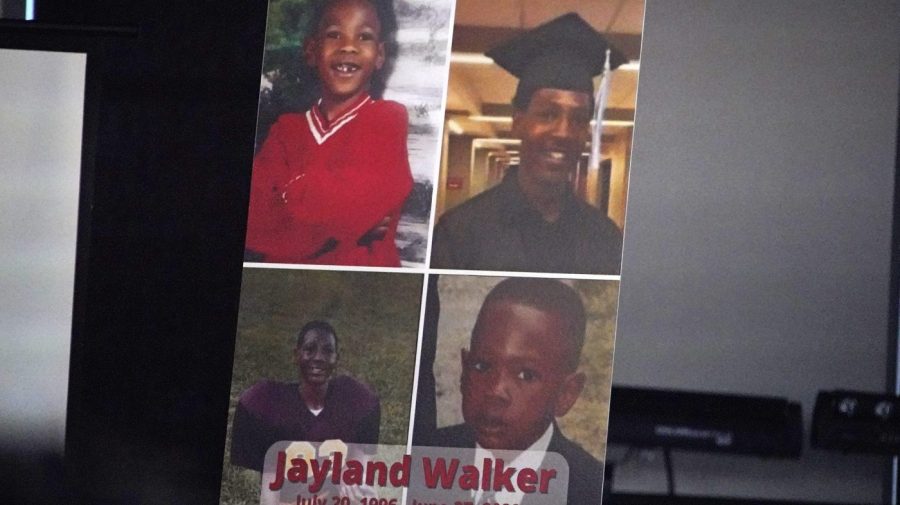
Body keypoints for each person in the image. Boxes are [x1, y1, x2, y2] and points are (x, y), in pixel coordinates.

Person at [430, 13, 625, 275]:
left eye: (578, 119)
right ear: (518, 121)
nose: (564, 133)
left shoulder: (606, 238)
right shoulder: (459, 233)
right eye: (548, 114)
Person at [245, 0, 413, 266]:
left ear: (379, 55)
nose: (348, 46)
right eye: (334, 34)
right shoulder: (286, 129)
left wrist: (287, 194)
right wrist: (349, 228)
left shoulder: (387, 119)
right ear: (311, 50)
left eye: (364, 36)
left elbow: (346, 208)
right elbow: (252, 221)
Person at [425, 278, 604, 505]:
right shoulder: (419, 455)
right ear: (464, 369)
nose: (496, 391)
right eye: (482, 366)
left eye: (525, 375)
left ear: (566, 394)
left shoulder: (590, 489)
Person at [230, 321, 380, 471]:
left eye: (328, 351)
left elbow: (362, 458)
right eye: (309, 349)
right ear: (296, 355)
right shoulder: (269, 399)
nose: (319, 357)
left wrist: (355, 471)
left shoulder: (352, 397)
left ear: (336, 358)